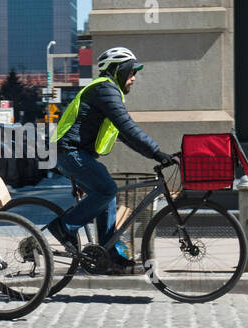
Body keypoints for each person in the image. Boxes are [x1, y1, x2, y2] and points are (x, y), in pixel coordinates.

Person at [47, 46, 174, 273]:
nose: (134, 77)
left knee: (107, 194)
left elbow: (124, 134)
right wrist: (156, 152)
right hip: (69, 152)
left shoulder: (108, 91)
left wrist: (152, 152)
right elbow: (128, 127)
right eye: (131, 71)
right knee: (106, 189)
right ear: (119, 70)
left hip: (73, 153)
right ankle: (64, 227)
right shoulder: (104, 89)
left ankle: (109, 253)